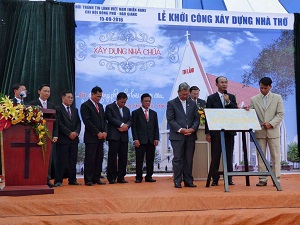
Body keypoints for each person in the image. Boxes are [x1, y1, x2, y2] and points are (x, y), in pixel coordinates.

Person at [249, 77, 284, 187]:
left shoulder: (277, 97)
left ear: (270, 87)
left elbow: (280, 114)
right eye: (261, 88)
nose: (263, 90)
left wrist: (271, 123)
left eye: (265, 88)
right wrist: (246, 110)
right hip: (260, 132)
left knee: (276, 157)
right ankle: (262, 179)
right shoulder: (254, 99)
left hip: (273, 132)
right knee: (261, 156)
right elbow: (251, 114)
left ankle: (276, 179)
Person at [205, 76, 237, 186]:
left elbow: (235, 111)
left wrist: (228, 101)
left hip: (229, 132)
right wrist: (207, 133)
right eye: (222, 82)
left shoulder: (231, 97)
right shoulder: (211, 98)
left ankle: (229, 178)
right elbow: (207, 117)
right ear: (216, 84)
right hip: (216, 133)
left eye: (226, 82)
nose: (224, 84)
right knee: (216, 156)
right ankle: (215, 179)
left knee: (228, 156)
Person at [166, 82, 200, 188]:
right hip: (177, 136)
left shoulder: (192, 103)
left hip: (190, 135)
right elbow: (171, 120)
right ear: (178, 92)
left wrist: (192, 129)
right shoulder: (171, 103)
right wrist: (181, 130)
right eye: (183, 94)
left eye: (187, 94)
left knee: (189, 159)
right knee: (178, 159)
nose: (185, 96)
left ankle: (188, 181)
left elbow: (196, 119)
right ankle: (177, 181)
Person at [28, 84, 58, 188]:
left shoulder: (52, 105)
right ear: (39, 91)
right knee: (36, 157)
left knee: (48, 159)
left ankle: (47, 179)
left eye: (48, 91)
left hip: (49, 136)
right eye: (45, 91)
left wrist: (55, 135)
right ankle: (35, 179)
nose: (47, 93)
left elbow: (56, 122)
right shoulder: (32, 104)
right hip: (35, 135)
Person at [80, 86, 107, 186]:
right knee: (90, 159)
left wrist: (104, 132)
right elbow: (87, 121)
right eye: (97, 96)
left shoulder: (100, 106)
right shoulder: (85, 105)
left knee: (99, 158)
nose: (99, 98)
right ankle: (88, 179)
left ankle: (97, 178)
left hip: (101, 138)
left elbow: (104, 121)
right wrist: (97, 132)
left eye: (100, 96)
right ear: (92, 94)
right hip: (91, 137)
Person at [53, 90, 81, 187]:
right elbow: (59, 124)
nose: (70, 99)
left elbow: (78, 122)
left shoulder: (75, 110)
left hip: (74, 139)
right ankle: (58, 180)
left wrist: (76, 132)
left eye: (72, 98)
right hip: (63, 139)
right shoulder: (57, 109)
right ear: (63, 98)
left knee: (73, 160)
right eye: (68, 97)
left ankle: (72, 179)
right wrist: (69, 133)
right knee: (61, 160)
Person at [132, 93, 159, 183]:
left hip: (151, 140)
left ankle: (149, 176)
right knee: (139, 159)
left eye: (149, 101)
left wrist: (156, 138)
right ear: (141, 101)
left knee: (150, 159)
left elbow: (156, 127)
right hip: (140, 140)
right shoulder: (135, 113)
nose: (148, 103)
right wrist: (135, 139)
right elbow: (134, 127)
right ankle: (138, 177)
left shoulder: (154, 113)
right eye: (146, 101)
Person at [105, 92, 132, 184]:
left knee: (123, 157)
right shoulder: (109, 107)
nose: (123, 104)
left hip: (124, 136)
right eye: (122, 102)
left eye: (125, 102)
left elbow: (130, 120)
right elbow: (110, 118)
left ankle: (121, 177)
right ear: (118, 99)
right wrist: (121, 125)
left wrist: (126, 126)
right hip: (114, 136)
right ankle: (111, 177)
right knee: (112, 157)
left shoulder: (127, 110)